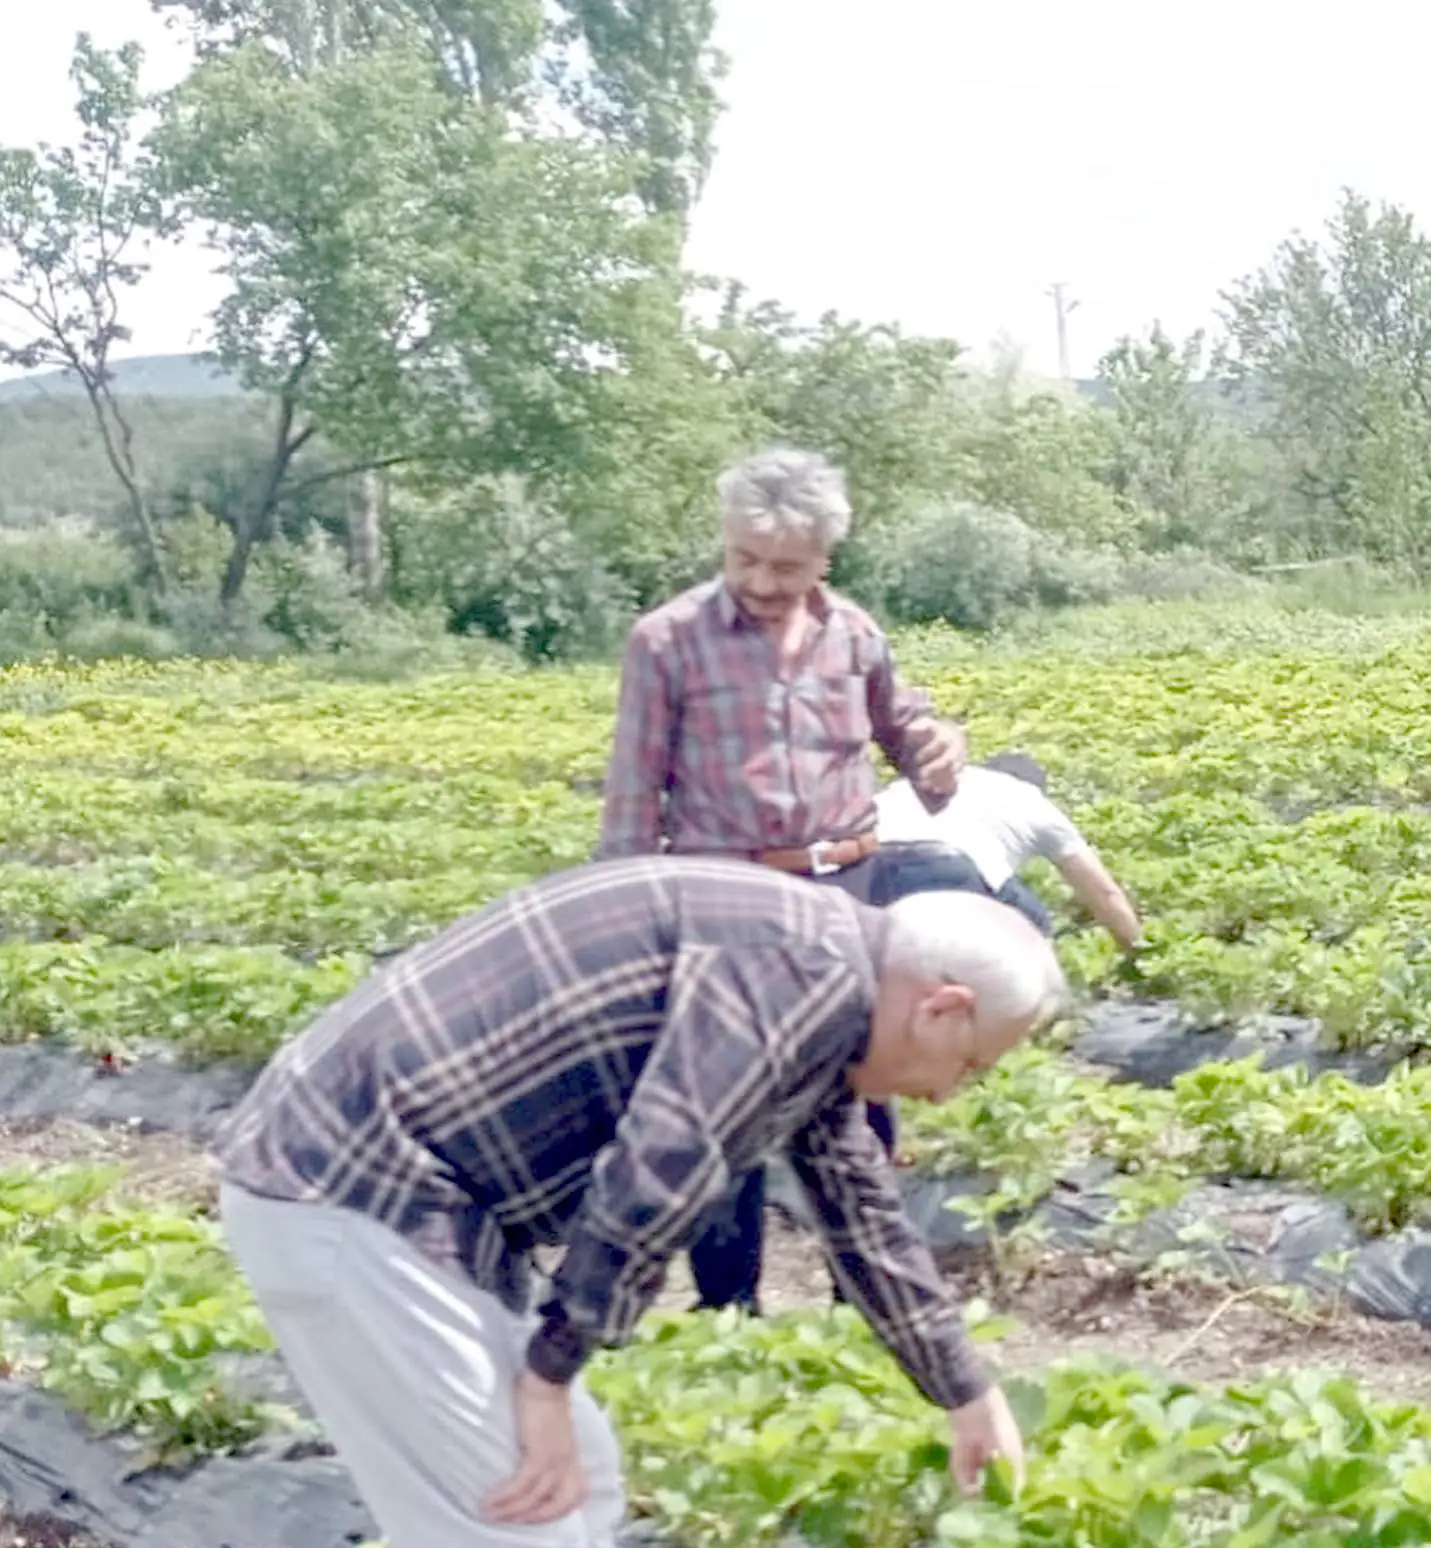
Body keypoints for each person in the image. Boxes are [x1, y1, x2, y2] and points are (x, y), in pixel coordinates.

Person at [215, 856, 1066, 1548]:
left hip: (410, 1205)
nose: (949, 1097)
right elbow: (663, 1165)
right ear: (941, 1008)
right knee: (510, 1518)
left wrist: (965, 1393)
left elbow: (859, 1210)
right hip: (353, 1186)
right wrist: (548, 1373)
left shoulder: (825, 979)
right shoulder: (800, 972)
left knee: (578, 1485)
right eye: (972, 1065)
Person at [596, 445, 969, 1314]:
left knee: (857, 1097)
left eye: (786, 566)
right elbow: (631, 793)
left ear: (824, 561)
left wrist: (937, 750)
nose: (761, 581)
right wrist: (620, 924)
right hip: (722, 894)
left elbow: (905, 731)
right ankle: (728, 1308)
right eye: (744, 559)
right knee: (722, 1110)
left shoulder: (855, 634)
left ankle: (865, 1298)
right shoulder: (666, 642)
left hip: (844, 886)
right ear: (723, 544)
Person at [875, 751, 1145, 950]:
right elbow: (1104, 893)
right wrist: (1136, 949)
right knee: (1032, 930)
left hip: (867, 869)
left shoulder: (925, 782)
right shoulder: (1030, 800)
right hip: (952, 868)